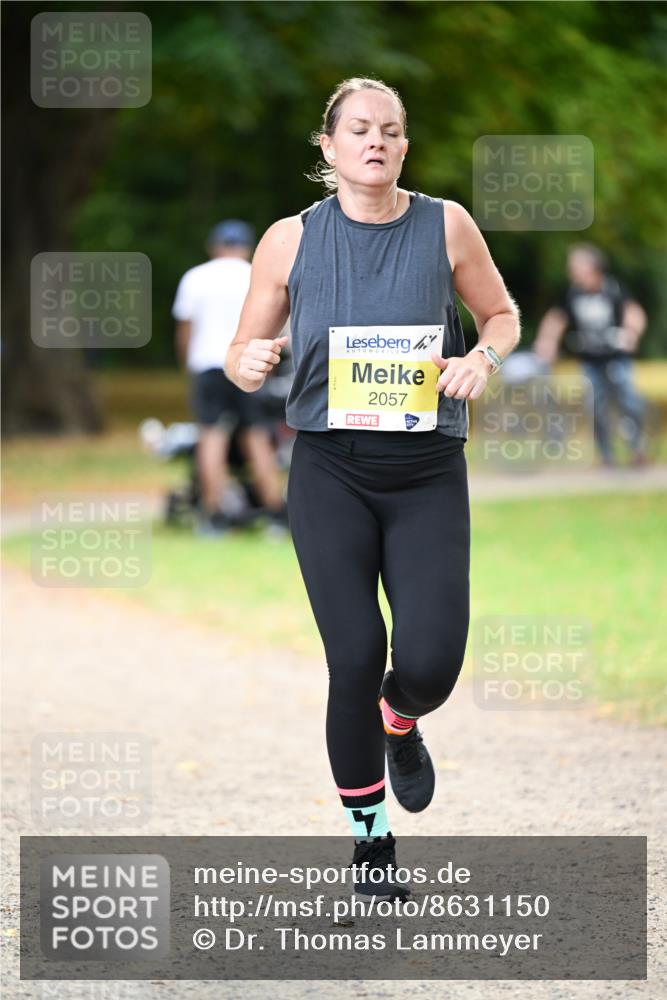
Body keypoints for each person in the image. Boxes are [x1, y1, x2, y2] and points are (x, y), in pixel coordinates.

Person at [224, 77, 520, 899]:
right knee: (352, 655)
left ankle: (403, 719)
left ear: (402, 147)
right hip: (330, 469)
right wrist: (245, 360)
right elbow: (241, 348)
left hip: (426, 470)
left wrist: (480, 358)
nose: (376, 142)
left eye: (390, 131)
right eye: (359, 130)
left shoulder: (445, 224)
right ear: (328, 145)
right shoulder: (289, 240)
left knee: (427, 663)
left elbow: (500, 315)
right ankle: (371, 841)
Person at [172, 219, 289, 535]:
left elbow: (186, 330)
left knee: (212, 437)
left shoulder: (195, 278)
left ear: (214, 246)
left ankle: (213, 515)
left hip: (209, 364)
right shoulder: (255, 274)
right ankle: (276, 513)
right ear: (247, 247)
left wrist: (189, 367)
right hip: (247, 363)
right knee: (257, 437)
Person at [533, 244, 649, 467]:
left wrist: (631, 333)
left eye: (575, 266)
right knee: (595, 406)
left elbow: (634, 312)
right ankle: (607, 455)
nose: (571, 271)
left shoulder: (613, 289)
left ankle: (637, 448)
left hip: (616, 357)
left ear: (592, 267)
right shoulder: (572, 293)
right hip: (590, 361)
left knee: (628, 401)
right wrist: (547, 342)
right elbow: (556, 319)